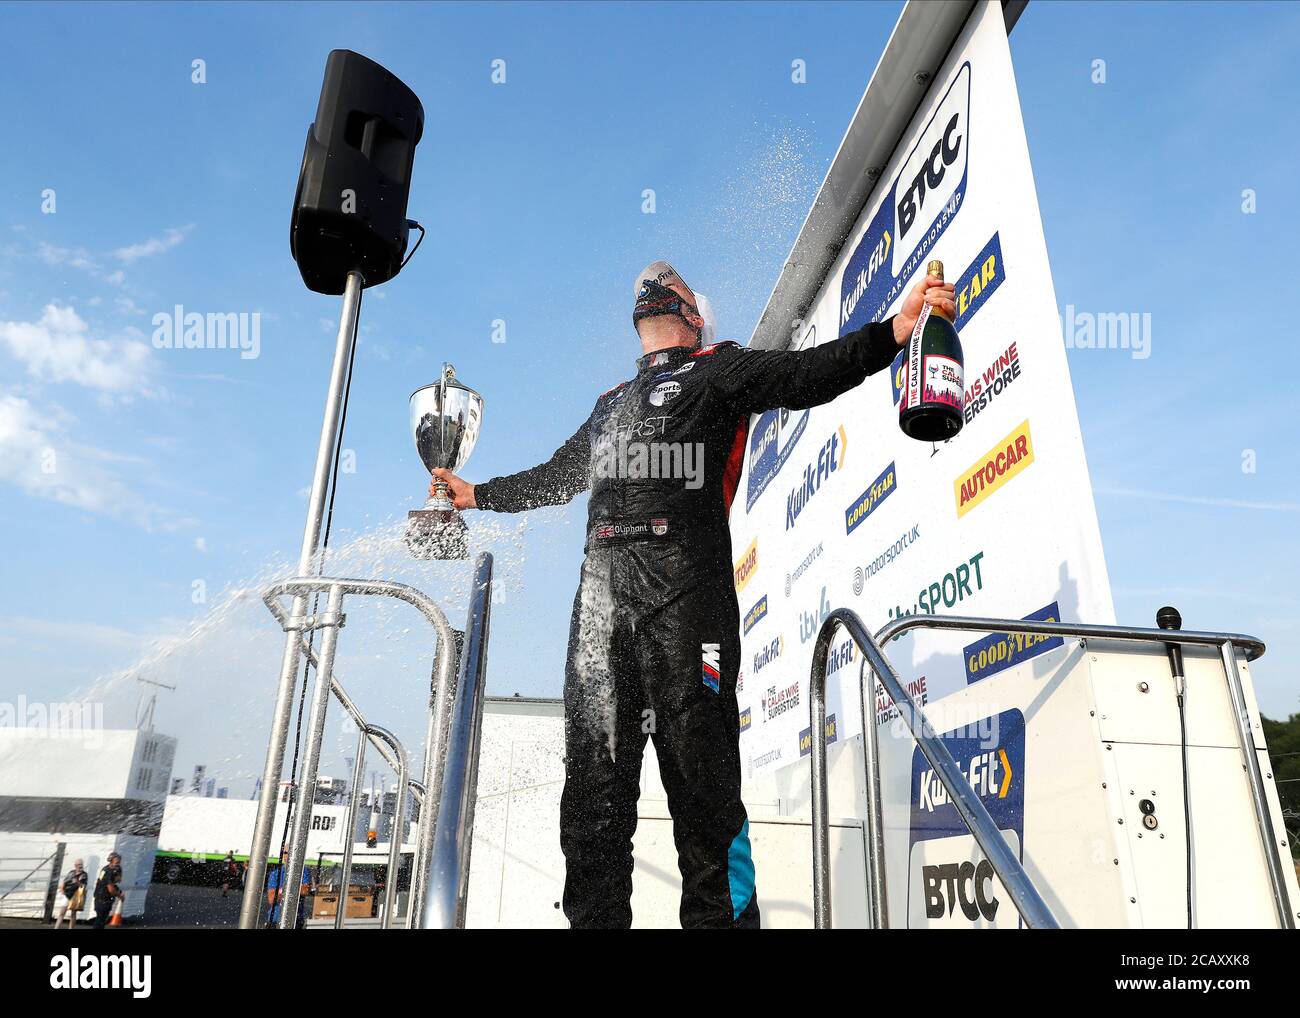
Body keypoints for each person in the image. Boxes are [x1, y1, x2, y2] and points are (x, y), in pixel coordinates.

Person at [431, 260, 954, 929]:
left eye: (668, 279)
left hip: (688, 606)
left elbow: (807, 374)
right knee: (592, 809)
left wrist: (894, 332)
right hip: (599, 618)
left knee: (704, 804)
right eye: (645, 281)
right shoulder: (610, 404)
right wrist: (478, 495)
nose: (649, 282)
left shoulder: (720, 368)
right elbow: (557, 477)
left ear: (690, 313)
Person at [264, 844, 313, 929]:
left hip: (295, 919)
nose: (287, 855)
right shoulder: (275, 874)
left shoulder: (304, 871)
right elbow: (272, 899)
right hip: (275, 920)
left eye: (290, 852)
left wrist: (281, 891)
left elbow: (306, 890)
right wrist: (295, 890)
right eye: (285, 852)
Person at [91, 852, 123, 929]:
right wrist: (119, 895)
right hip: (102, 899)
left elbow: (118, 881)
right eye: (116, 862)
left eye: (119, 862)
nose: (118, 864)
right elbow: (111, 889)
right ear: (111, 861)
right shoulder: (107, 871)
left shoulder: (114, 869)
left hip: (104, 899)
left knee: (102, 921)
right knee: (100, 921)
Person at [53, 859, 88, 928]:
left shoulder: (84, 874)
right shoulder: (71, 872)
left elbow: (83, 886)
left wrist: (77, 882)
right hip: (67, 894)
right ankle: (56, 927)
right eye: (79, 865)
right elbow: (64, 881)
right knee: (62, 913)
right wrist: (62, 888)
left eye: (81, 865)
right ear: (75, 866)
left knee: (73, 914)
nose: (80, 866)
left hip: (75, 896)